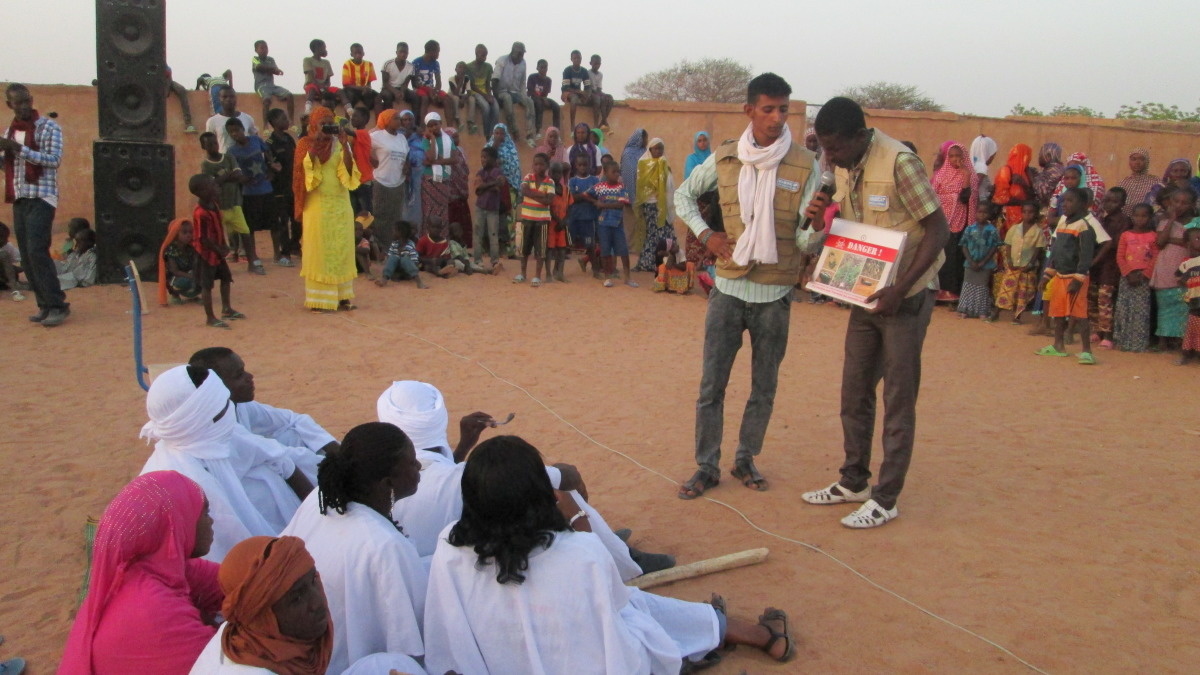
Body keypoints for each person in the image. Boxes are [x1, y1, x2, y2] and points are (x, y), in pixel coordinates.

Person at [422, 435, 795, 675]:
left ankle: (722, 631)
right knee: (642, 610)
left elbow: (448, 629)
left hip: (497, 662)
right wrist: (578, 515)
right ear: (539, 493)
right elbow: (618, 607)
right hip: (586, 663)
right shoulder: (579, 552)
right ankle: (753, 634)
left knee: (637, 609)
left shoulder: (447, 546)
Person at [801, 96, 949, 528]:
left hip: (906, 296)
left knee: (898, 397)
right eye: (826, 149)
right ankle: (853, 481)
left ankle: (886, 498)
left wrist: (900, 290)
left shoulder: (900, 162)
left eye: (836, 148)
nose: (830, 157)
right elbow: (848, 230)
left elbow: (938, 229)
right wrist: (817, 220)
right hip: (866, 295)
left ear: (860, 135)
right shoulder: (843, 168)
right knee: (854, 390)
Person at [674, 74, 819, 500]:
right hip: (729, 289)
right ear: (749, 111)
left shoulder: (806, 164)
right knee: (711, 386)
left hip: (775, 294)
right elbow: (682, 197)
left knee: (764, 386)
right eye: (769, 109)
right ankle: (706, 466)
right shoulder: (724, 158)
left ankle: (745, 458)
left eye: (784, 110)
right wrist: (708, 236)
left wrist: (820, 224)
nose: (777, 118)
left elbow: (806, 240)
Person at [375, 380, 660, 577]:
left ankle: (610, 544)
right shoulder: (463, 476)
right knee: (561, 491)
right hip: (479, 568)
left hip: (437, 573)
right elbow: (566, 476)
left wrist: (462, 447)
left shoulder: (379, 477)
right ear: (440, 419)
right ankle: (622, 559)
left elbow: (436, 476)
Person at [280, 422, 426, 674]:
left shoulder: (321, 499)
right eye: (412, 463)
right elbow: (410, 640)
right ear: (388, 482)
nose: (419, 466)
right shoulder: (384, 545)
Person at [139, 363, 312, 561]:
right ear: (202, 418)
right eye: (223, 405)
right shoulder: (179, 482)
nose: (230, 410)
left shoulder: (217, 433)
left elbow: (281, 461)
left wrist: (316, 515)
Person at [59, 471, 220, 675]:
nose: (211, 521)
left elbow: (230, 579)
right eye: (204, 513)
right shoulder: (152, 607)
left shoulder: (154, 568)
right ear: (177, 523)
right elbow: (220, 665)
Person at [188, 346, 335, 492]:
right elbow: (278, 457)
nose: (250, 377)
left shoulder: (239, 406)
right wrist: (340, 466)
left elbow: (293, 419)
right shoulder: (217, 429)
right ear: (214, 386)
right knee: (268, 474)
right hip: (245, 492)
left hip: (281, 462)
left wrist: (332, 447)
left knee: (292, 435)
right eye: (239, 375)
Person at [188, 535, 331, 675]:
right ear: (261, 615)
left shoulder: (243, 632)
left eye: (313, 579)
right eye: (297, 598)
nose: (316, 602)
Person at [1, 83, 68, 326]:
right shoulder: (10, 131)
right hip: (20, 197)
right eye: (18, 103)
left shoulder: (49, 127)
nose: (24, 106)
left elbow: (53, 160)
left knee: (38, 251)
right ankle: (44, 305)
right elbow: (10, 165)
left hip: (42, 196)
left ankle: (58, 305)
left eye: (26, 100)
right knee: (28, 256)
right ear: (10, 105)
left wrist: (19, 149)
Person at [294, 107, 361, 312]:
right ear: (313, 124)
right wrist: (316, 142)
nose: (327, 127)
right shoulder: (304, 144)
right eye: (323, 123)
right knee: (320, 252)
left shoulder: (339, 145)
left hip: (340, 206)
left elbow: (349, 172)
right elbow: (306, 175)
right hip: (318, 207)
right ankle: (320, 300)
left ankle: (342, 297)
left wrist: (344, 145)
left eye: (330, 122)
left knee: (341, 250)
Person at [1035, 187, 1098, 364]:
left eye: (1071, 201)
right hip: (1060, 277)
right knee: (1058, 313)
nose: (1066, 205)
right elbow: (1056, 253)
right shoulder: (1062, 224)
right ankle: (1058, 345)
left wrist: (1078, 280)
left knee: (1080, 314)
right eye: (1064, 201)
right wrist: (1047, 276)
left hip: (1076, 278)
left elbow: (1086, 257)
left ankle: (1087, 351)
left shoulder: (1084, 227)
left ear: (1083, 205)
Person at [189, 174, 243, 328]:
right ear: (202, 191)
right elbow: (203, 239)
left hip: (216, 251)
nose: (217, 187)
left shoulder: (214, 204)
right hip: (206, 254)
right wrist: (219, 249)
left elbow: (218, 227)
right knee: (207, 285)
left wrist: (223, 245)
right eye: (212, 186)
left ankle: (226, 309)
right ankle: (210, 317)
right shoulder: (201, 213)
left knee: (226, 278)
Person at [227, 118, 282, 266]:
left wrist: (271, 168)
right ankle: (254, 255)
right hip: (248, 192)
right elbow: (231, 170)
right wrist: (240, 179)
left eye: (237, 130)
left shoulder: (256, 140)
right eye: (231, 132)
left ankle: (277, 253)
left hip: (266, 188)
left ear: (242, 129)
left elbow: (268, 153)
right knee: (250, 227)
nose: (235, 134)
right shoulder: (231, 151)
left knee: (274, 224)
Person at [1150, 187, 1198, 350]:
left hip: (1188, 268)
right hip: (1166, 267)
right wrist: (1171, 219)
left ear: (1192, 204)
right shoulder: (1165, 221)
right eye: (1176, 202)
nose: (1179, 205)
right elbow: (1160, 242)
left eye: (1184, 203)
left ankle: (1182, 342)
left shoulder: (1195, 222)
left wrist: (1173, 239)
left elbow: (1192, 244)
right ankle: (1163, 340)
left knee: (1184, 306)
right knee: (1164, 305)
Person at [931, 141, 977, 303]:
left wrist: (965, 176)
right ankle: (940, 291)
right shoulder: (941, 174)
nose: (954, 159)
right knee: (941, 255)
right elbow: (933, 195)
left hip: (960, 221)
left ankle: (953, 291)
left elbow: (967, 198)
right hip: (942, 221)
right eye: (951, 156)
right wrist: (949, 198)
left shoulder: (970, 175)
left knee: (955, 256)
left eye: (958, 156)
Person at [1113, 203, 1158, 352]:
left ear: (1150, 218)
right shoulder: (1126, 235)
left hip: (1143, 279)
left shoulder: (1153, 236)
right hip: (1127, 277)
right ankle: (1123, 341)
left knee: (1140, 311)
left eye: (1144, 216)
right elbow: (1120, 256)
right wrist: (1128, 273)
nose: (1140, 219)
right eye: (1137, 215)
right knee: (1123, 309)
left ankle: (1138, 343)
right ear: (1132, 217)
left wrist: (1144, 275)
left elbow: (1155, 257)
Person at [992, 202, 1046, 324]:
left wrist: (1031, 264)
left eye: (1031, 212)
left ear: (1036, 214)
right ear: (1021, 213)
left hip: (1027, 268)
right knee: (1006, 290)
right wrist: (1009, 260)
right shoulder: (1014, 228)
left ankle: (1017, 317)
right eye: (1025, 212)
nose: (1027, 215)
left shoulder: (1038, 232)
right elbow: (1008, 245)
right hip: (1013, 266)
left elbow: (1037, 251)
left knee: (1023, 293)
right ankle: (996, 313)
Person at [1090, 188, 1130, 348]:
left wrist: (1095, 260)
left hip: (1111, 266)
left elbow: (1112, 243)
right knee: (1094, 298)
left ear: (1122, 203)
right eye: (1106, 200)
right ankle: (1098, 330)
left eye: (1114, 201)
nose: (1108, 204)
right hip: (1098, 266)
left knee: (1106, 299)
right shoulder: (1103, 219)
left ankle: (1108, 334)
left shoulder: (1124, 221)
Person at [586, 160, 636, 287]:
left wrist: (603, 204)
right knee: (605, 251)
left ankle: (627, 277)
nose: (617, 174)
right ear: (606, 173)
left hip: (617, 224)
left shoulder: (621, 187)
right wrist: (595, 202)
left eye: (618, 171)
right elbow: (586, 194)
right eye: (613, 172)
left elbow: (620, 205)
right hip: (603, 225)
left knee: (624, 251)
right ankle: (607, 277)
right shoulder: (600, 186)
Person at [369, 109, 409, 255]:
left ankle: (393, 248)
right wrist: (371, 159)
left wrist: (406, 165)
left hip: (398, 182)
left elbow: (406, 155)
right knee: (380, 216)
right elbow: (361, 144)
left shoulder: (402, 138)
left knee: (395, 217)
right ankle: (380, 248)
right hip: (381, 181)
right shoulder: (377, 136)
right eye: (396, 118)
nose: (399, 121)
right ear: (386, 120)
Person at [634, 138, 676, 271]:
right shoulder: (643, 163)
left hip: (662, 205)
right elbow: (642, 184)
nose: (658, 151)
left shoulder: (664, 164)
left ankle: (666, 263)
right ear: (650, 150)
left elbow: (669, 185)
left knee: (664, 233)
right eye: (656, 148)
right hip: (649, 204)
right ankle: (648, 263)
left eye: (660, 148)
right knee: (651, 233)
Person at [515, 152, 555, 286]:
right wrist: (540, 195)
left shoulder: (550, 181)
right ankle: (522, 273)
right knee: (524, 248)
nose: (538, 167)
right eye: (536, 164)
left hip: (542, 220)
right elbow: (524, 191)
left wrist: (532, 194)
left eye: (541, 164)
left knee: (540, 249)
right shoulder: (528, 177)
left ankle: (537, 276)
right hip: (527, 218)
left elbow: (549, 201)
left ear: (547, 166)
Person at [265, 109, 299, 264]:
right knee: (283, 222)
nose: (287, 120)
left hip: (294, 186)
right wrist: (272, 167)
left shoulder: (289, 139)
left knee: (298, 220)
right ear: (274, 122)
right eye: (284, 118)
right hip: (279, 188)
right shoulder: (269, 143)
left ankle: (294, 245)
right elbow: (267, 164)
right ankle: (285, 254)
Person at [957, 203, 1000, 320]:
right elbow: (964, 245)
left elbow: (994, 247)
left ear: (989, 215)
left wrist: (983, 262)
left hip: (985, 265)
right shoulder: (970, 229)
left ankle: (982, 311)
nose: (982, 215)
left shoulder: (992, 230)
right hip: (970, 263)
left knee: (982, 287)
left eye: (985, 213)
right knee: (968, 286)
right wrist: (970, 261)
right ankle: (965, 310)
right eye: (979, 212)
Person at [486, 123, 522, 252]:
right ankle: (493, 248)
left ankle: (510, 248)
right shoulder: (488, 147)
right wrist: (495, 144)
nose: (499, 136)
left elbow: (515, 169)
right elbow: (487, 162)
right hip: (492, 188)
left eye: (502, 133)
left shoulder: (511, 149)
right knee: (493, 217)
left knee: (509, 217)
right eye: (496, 133)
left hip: (509, 187)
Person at [493, 42, 536, 145]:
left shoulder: (523, 63)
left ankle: (530, 134)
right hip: (502, 91)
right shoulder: (502, 60)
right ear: (513, 52)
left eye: (522, 54)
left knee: (529, 101)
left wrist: (523, 98)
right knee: (507, 99)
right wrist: (496, 97)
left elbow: (522, 83)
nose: (521, 56)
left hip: (515, 92)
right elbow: (495, 79)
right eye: (519, 53)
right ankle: (514, 130)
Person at [420, 111, 457, 227]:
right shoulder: (426, 139)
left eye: (435, 124)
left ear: (441, 123)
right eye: (430, 126)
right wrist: (432, 139)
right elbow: (429, 158)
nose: (433, 128)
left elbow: (454, 159)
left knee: (442, 210)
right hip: (429, 180)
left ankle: (442, 238)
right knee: (429, 209)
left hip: (444, 179)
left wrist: (437, 161)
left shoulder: (448, 139)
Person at [568, 152, 602, 276]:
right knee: (566, 244)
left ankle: (595, 270)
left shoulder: (594, 180)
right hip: (574, 218)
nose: (582, 167)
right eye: (580, 165)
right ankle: (558, 270)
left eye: (585, 165)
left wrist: (581, 196)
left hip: (588, 219)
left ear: (589, 165)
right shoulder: (572, 181)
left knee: (590, 245)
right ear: (576, 166)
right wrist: (585, 195)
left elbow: (597, 196)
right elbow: (572, 198)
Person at [992, 143, 1035, 236]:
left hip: (1025, 217)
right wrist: (1022, 202)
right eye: (1027, 156)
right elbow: (1000, 198)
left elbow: (1032, 196)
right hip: (1008, 217)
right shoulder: (1006, 171)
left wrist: (1024, 184)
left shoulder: (1027, 173)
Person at [411, 40, 456, 127]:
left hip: (432, 89)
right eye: (437, 51)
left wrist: (436, 92)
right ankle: (422, 126)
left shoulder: (435, 63)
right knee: (425, 99)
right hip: (419, 89)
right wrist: (429, 91)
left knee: (447, 99)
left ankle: (450, 127)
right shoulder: (416, 62)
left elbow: (438, 82)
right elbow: (414, 82)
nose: (438, 54)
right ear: (431, 52)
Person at [474, 146, 504, 269]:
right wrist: (492, 183)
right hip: (480, 207)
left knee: (493, 234)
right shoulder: (480, 173)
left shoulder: (498, 172)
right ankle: (477, 260)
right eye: (482, 157)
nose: (483, 160)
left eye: (485, 157)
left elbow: (499, 187)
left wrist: (485, 186)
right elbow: (478, 190)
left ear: (493, 159)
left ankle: (494, 260)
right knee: (478, 233)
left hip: (492, 208)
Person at [251, 40, 294, 126]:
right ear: (256, 50)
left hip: (272, 86)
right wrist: (273, 70)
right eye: (261, 48)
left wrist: (275, 70)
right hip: (261, 86)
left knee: (289, 95)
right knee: (266, 100)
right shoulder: (255, 59)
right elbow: (259, 67)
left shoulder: (271, 59)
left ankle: (291, 121)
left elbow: (276, 71)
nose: (264, 50)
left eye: (266, 47)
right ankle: (265, 125)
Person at [205, 87, 259, 155]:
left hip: (246, 161)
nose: (228, 99)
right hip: (225, 162)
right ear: (219, 99)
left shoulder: (247, 118)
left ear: (236, 98)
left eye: (232, 96)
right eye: (225, 97)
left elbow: (255, 138)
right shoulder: (212, 121)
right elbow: (209, 144)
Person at [376, 220, 427, 288]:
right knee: (393, 257)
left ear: (400, 233)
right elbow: (389, 259)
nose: (392, 233)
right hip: (397, 269)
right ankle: (384, 279)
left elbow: (415, 261)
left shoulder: (410, 245)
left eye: (394, 231)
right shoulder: (394, 244)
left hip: (408, 270)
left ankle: (419, 282)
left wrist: (410, 266)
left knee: (405, 259)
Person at [1175, 228, 1200, 365]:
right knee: (1192, 328)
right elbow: (1178, 277)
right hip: (1194, 301)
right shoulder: (1186, 263)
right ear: (1188, 244)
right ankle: (1187, 354)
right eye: (1197, 238)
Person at [463, 45, 499, 136]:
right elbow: (472, 86)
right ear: (476, 54)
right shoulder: (468, 67)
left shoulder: (488, 67)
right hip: (475, 93)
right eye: (482, 55)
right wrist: (485, 96)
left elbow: (488, 84)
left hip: (485, 92)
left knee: (496, 108)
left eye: (485, 55)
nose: (484, 58)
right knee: (486, 108)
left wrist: (489, 95)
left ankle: (493, 132)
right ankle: (487, 134)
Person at [546, 161, 571, 281]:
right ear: (549, 173)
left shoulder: (566, 190)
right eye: (553, 173)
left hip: (562, 225)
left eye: (559, 173)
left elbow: (569, 207)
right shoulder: (547, 189)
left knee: (562, 249)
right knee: (549, 249)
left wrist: (564, 221)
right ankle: (548, 274)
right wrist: (558, 220)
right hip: (551, 224)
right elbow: (547, 207)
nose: (556, 175)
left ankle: (559, 273)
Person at [1116, 149, 1160, 217]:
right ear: (1129, 162)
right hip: (1125, 221)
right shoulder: (1123, 182)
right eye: (1134, 159)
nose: (1137, 162)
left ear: (1147, 161)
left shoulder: (1155, 181)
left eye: (1141, 159)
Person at [379, 42, 419, 113]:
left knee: (415, 97)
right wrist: (395, 92)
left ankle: (415, 120)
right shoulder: (388, 64)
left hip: (402, 88)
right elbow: (385, 83)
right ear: (396, 52)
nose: (403, 54)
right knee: (388, 96)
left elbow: (406, 84)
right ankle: (389, 118)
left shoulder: (411, 67)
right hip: (388, 88)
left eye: (405, 52)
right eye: (401, 52)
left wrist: (402, 92)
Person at [301, 39, 338, 116]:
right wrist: (321, 88)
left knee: (340, 92)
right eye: (324, 48)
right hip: (312, 85)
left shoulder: (326, 62)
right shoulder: (307, 60)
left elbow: (328, 80)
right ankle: (307, 110)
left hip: (324, 87)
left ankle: (349, 111)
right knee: (312, 89)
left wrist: (326, 87)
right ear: (317, 48)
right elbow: (311, 79)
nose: (325, 50)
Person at [560, 50, 593, 130]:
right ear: (571, 59)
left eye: (579, 58)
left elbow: (587, 86)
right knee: (574, 99)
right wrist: (579, 92)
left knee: (593, 99)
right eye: (575, 58)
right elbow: (566, 87)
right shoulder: (567, 70)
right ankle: (572, 125)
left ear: (581, 59)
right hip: (567, 92)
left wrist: (587, 94)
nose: (577, 60)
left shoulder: (584, 71)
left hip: (578, 93)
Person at [340, 43, 378, 113]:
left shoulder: (369, 64)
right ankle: (347, 119)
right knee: (350, 96)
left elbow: (369, 81)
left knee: (378, 97)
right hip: (352, 89)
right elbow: (346, 84)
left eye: (360, 53)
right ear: (351, 54)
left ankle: (377, 119)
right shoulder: (347, 64)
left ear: (363, 53)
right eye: (355, 53)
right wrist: (362, 88)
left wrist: (367, 89)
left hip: (364, 89)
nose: (358, 55)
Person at [527, 59, 561, 134]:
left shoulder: (548, 80)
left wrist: (544, 99)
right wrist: (542, 98)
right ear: (537, 68)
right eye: (541, 67)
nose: (543, 69)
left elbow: (545, 93)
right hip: (534, 98)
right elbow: (530, 92)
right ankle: (538, 129)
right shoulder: (532, 77)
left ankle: (556, 129)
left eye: (545, 67)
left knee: (556, 107)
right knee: (539, 105)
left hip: (543, 98)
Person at [1032, 142, 1065, 209]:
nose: (1039, 157)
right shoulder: (1059, 169)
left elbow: (1042, 192)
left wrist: (1031, 178)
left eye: (1041, 154)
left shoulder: (1053, 172)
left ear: (1049, 156)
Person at [587, 54, 615, 131]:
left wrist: (604, 94)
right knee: (598, 99)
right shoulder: (588, 73)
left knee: (609, 98)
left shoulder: (600, 74)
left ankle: (603, 121)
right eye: (595, 63)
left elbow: (599, 88)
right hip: (590, 93)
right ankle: (596, 124)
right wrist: (599, 94)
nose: (597, 65)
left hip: (597, 92)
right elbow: (589, 88)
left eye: (598, 64)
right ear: (591, 63)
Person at [969, 134, 997, 204]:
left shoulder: (971, 164)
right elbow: (975, 188)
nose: (993, 158)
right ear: (986, 153)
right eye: (993, 155)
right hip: (981, 204)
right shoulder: (981, 167)